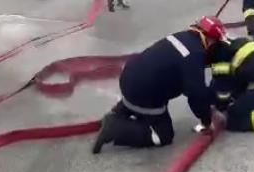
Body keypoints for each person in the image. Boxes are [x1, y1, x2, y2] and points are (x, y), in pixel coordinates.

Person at [92, 16, 226, 154]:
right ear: (211, 41)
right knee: (163, 135)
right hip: (145, 92)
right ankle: (116, 128)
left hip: (131, 76)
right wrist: (208, 119)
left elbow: (187, 84)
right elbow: (195, 93)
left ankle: (121, 111)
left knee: (149, 87)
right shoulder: (194, 54)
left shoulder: (184, 36)